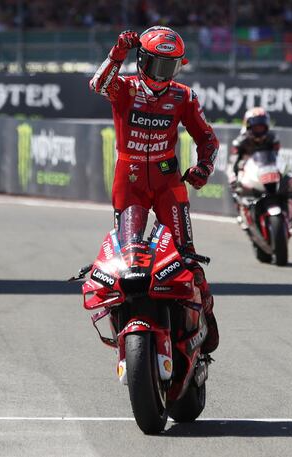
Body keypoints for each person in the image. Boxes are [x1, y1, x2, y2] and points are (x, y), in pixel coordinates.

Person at [89, 26, 219, 353]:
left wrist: (204, 166)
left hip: (167, 180)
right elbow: (97, 83)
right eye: (157, 64)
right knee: (127, 256)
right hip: (129, 180)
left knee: (186, 256)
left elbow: (208, 139)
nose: (162, 74)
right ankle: (125, 324)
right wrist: (118, 51)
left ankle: (205, 312)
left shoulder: (184, 96)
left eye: (170, 66)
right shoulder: (125, 87)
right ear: (141, 59)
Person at [230, 106, 292, 227]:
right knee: (236, 189)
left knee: (291, 184)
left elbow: (278, 158)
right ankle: (243, 215)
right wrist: (234, 177)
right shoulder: (240, 142)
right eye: (256, 126)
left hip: (268, 172)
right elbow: (233, 163)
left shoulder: (272, 139)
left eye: (262, 126)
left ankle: (289, 216)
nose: (259, 129)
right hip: (249, 173)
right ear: (248, 126)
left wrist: (286, 174)